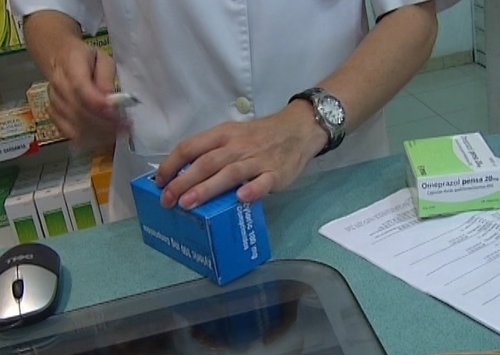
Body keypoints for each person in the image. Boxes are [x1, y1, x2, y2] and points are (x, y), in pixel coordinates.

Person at [12, 1, 459, 222]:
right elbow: (48, 7)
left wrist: (306, 124)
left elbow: (412, 16)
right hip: (168, 192)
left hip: (331, 177)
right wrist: (63, 58)